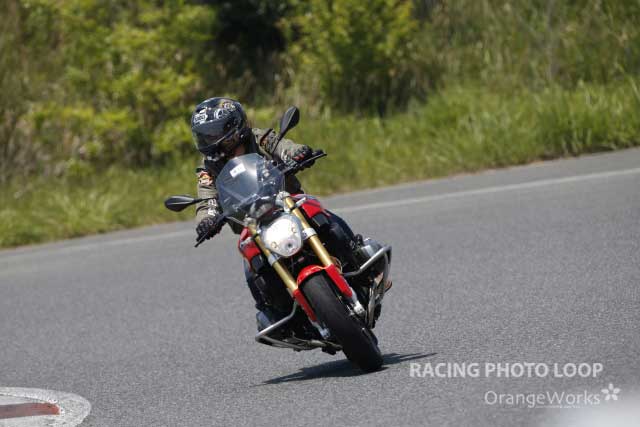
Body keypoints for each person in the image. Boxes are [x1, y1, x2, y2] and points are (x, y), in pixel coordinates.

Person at [190, 97, 373, 330]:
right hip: (253, 224)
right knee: (253, 271)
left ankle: (360, 259)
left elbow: (282, 146)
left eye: (213, 134)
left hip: (286, 202)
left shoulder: (259, 138)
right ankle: (279, 315)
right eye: (204, 136)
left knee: (326, 221)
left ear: (233, 127)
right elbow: (207, 199)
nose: (209, 141)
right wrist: (207, 220)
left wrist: (298, 153)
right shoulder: (208, 168)